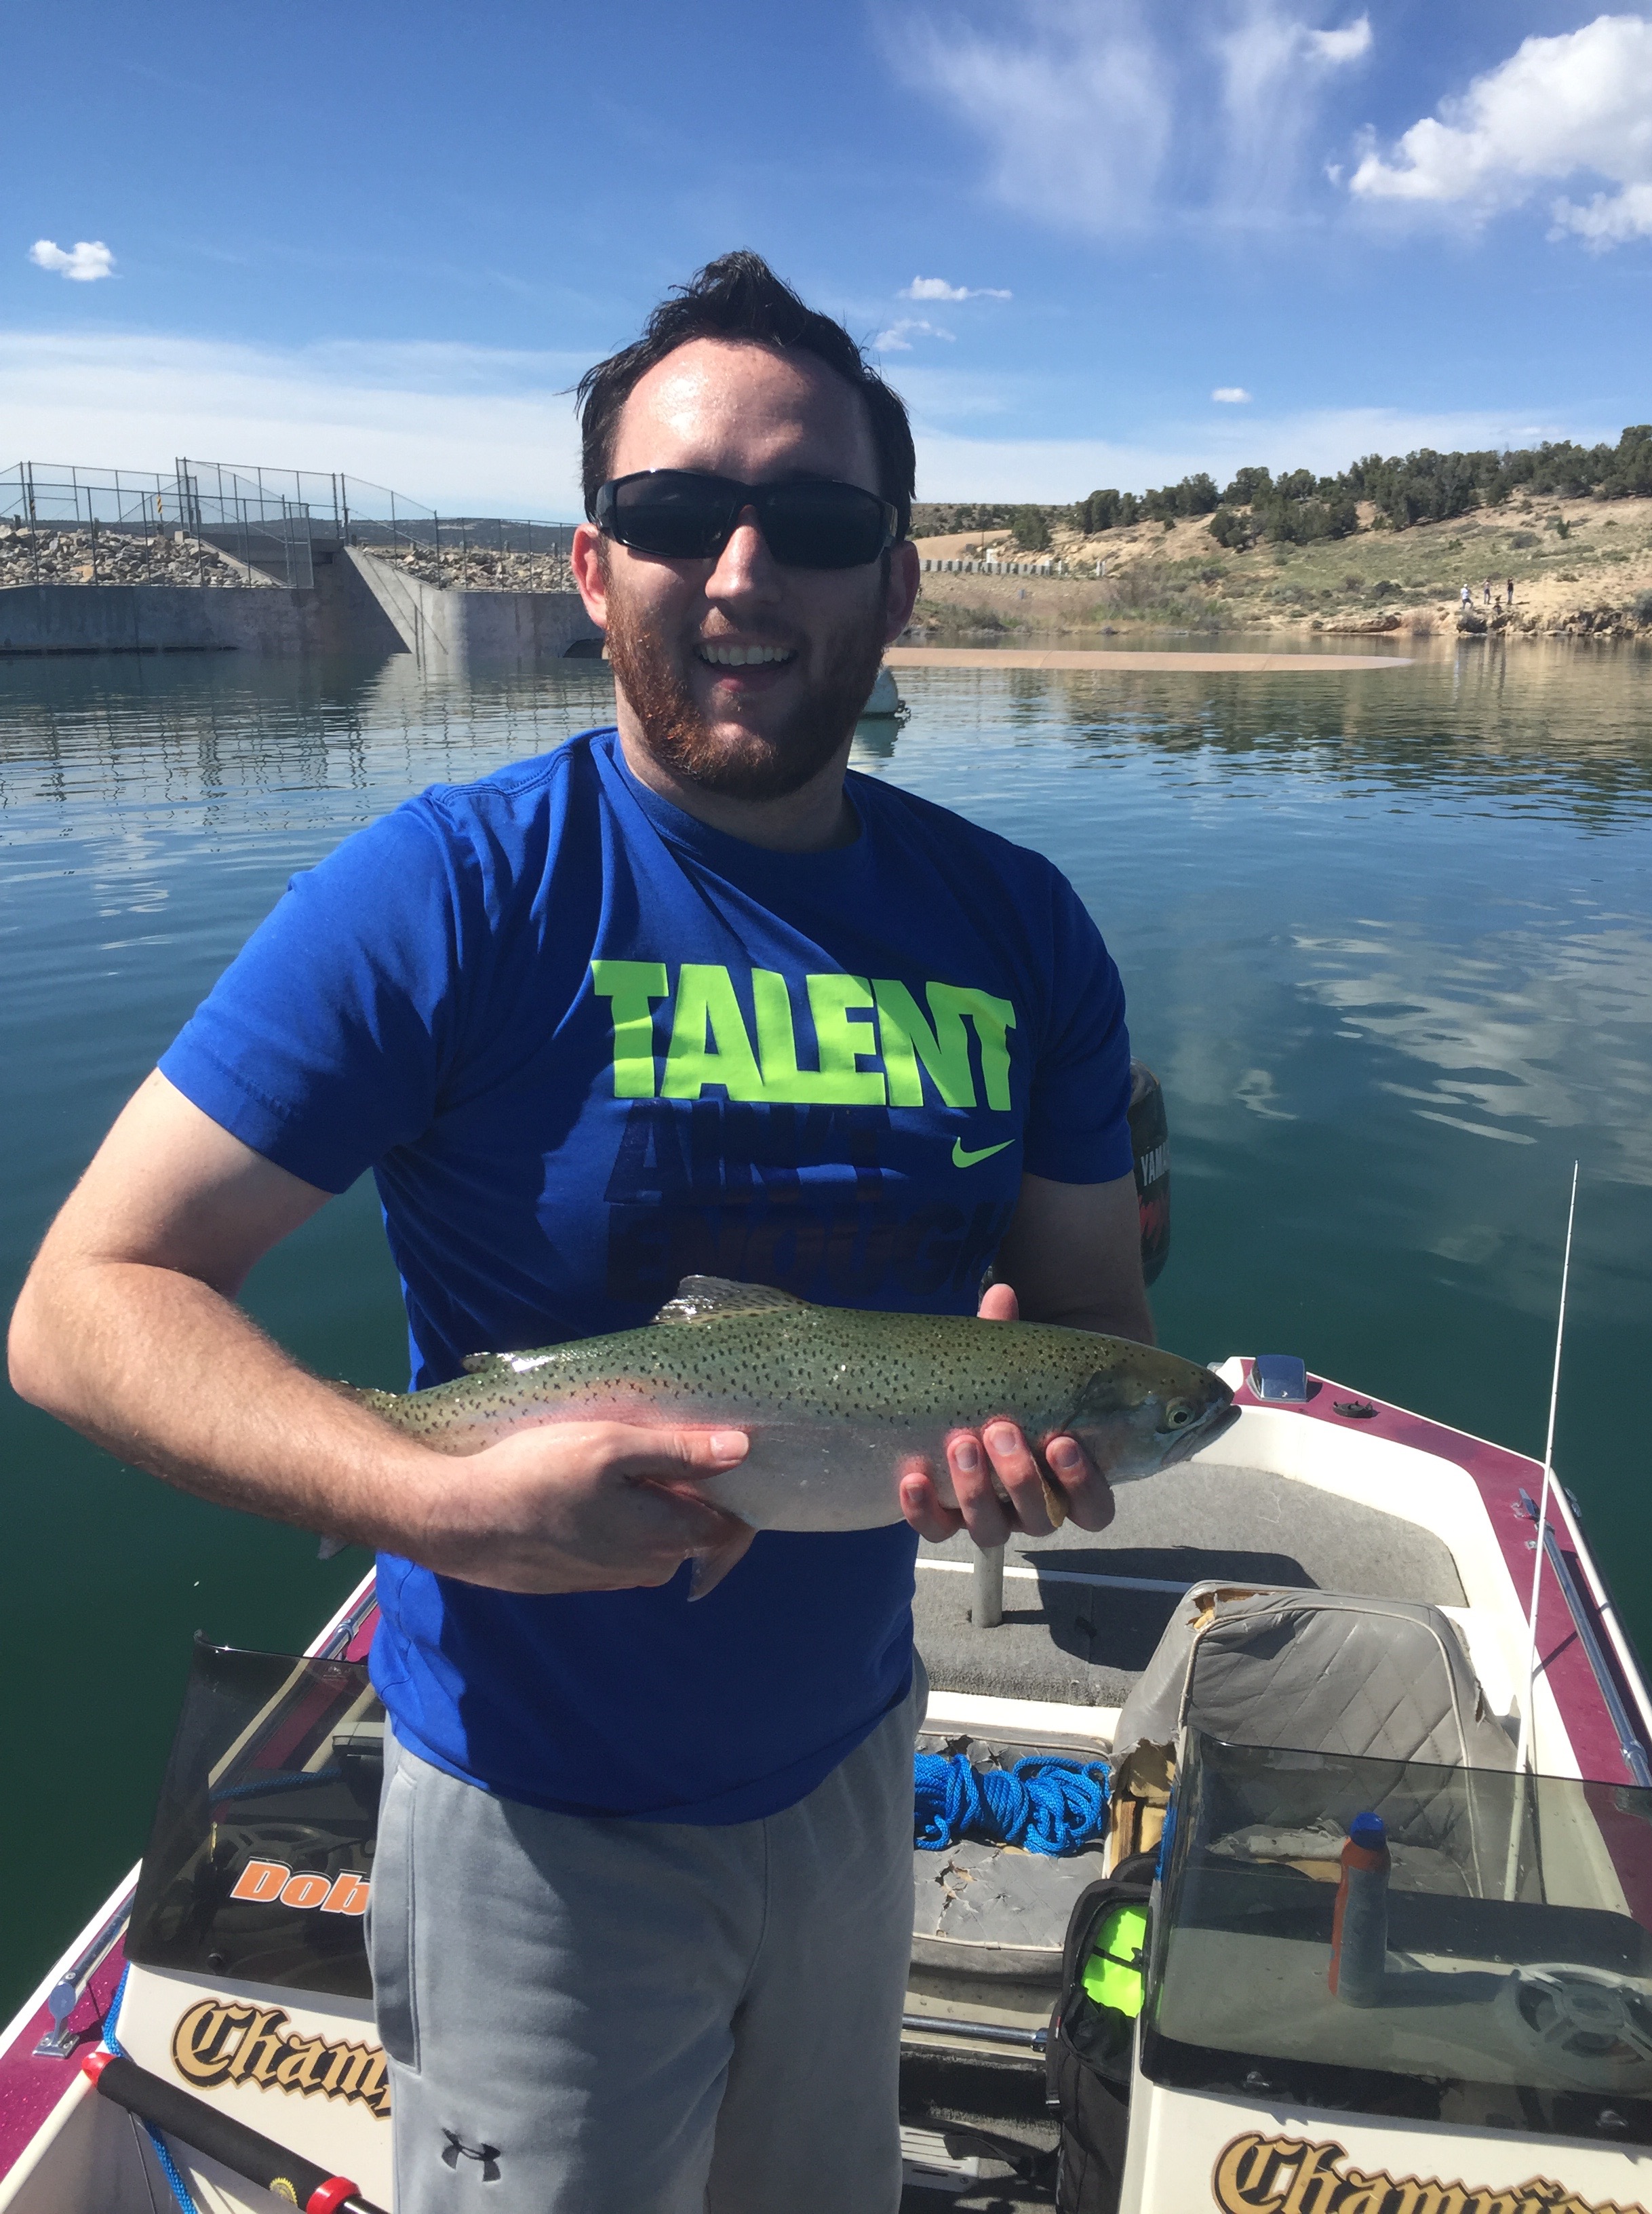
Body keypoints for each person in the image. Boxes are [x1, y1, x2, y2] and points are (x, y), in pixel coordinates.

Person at [7, 252, 1152, 2214]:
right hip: (527, 1824)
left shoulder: (1023, 923)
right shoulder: (448, 894)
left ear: (892, 583)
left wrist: (1028, 1444)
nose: (739, 571)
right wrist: (427, 1498)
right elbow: (81, 1306)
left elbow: (1087, 1317)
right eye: (674, 513)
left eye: (812, 523)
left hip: (852, 1776)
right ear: (591, 563)